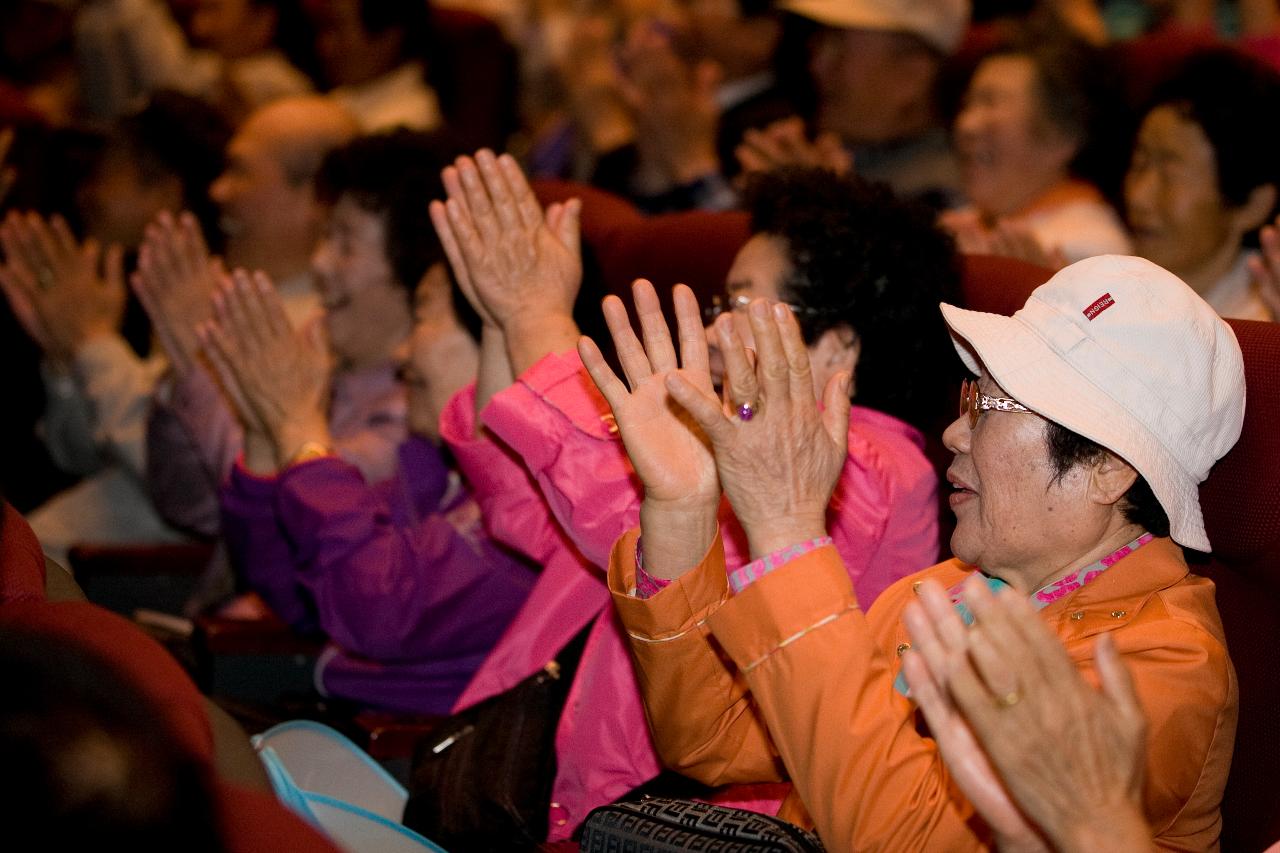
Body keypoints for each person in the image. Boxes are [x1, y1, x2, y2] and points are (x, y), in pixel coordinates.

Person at [600, 254, 1239, 849]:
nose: (954, 432)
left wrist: (788, 530)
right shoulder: (953, 590)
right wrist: (682, 509)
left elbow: (903, 838)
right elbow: (710, 737)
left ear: (1107, 466)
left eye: (989, 407)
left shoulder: (1164, 664)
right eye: (969, 399)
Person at [430, 154, 955, 836]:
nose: (710, 333)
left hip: (694, 824)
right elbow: (530, 513)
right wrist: (505, 320)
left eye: (737, 306)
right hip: (560, 799)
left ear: (835, 346)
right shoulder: (738, 440)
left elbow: (633, 517)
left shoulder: (870, 469)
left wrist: (536, 314)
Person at [201, 264, 535, 714]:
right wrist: (267, 432)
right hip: (337, 727)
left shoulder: (529, 518)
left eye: (422, 317)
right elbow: (295, 593)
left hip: (403, 758)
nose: (401, 352)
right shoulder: (437, 475)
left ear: (500, 336)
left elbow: (378, 605)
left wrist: (301, 429)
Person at [142, 96, 359, 542]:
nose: (217, 190)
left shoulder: (337, 331)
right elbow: (179, 495)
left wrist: (94, 349)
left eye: (240, 171)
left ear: (313, 195)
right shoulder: (201, 291)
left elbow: (269, 508)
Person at [738, 0, 969, 207]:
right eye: (821, 42)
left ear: (912, 72)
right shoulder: (839, 154)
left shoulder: (940, 195)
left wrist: (814, 204)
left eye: (839, 48)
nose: (817, 65)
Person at [941, 31, 1132, 264]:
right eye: (967, 104)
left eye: (990, 103)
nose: (966, 124)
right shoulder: (961, 220)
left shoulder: (1091, 250)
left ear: (1061, 135)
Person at [1126, 48, 1280, 321]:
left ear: (1253, 206)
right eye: (1140, 163)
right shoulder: (1109, 286)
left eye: (1170, 174)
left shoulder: (1260, 325)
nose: (1138, 196)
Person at [305, 0, 441, 133]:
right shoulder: (346, 95)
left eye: (338, 30)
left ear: (388, 38)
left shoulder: (405, 127)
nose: (324, 46)